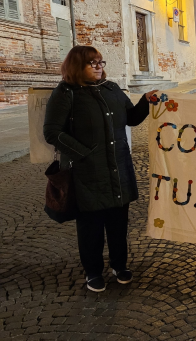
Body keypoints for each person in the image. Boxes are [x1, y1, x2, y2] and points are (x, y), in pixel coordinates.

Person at [44, 46, 156, 292]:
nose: (98, 66)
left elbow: (132, 118)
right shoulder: (66, 93)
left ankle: (119, 265)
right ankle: (92, 271)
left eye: (100, 62)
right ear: (76, 66)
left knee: (118, 223)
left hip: (118, 167)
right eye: (91, 63)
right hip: (87, 172)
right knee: (90, 226)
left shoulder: (112, 89)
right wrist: (84, 152)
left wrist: (146, 101)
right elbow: (52, 131)